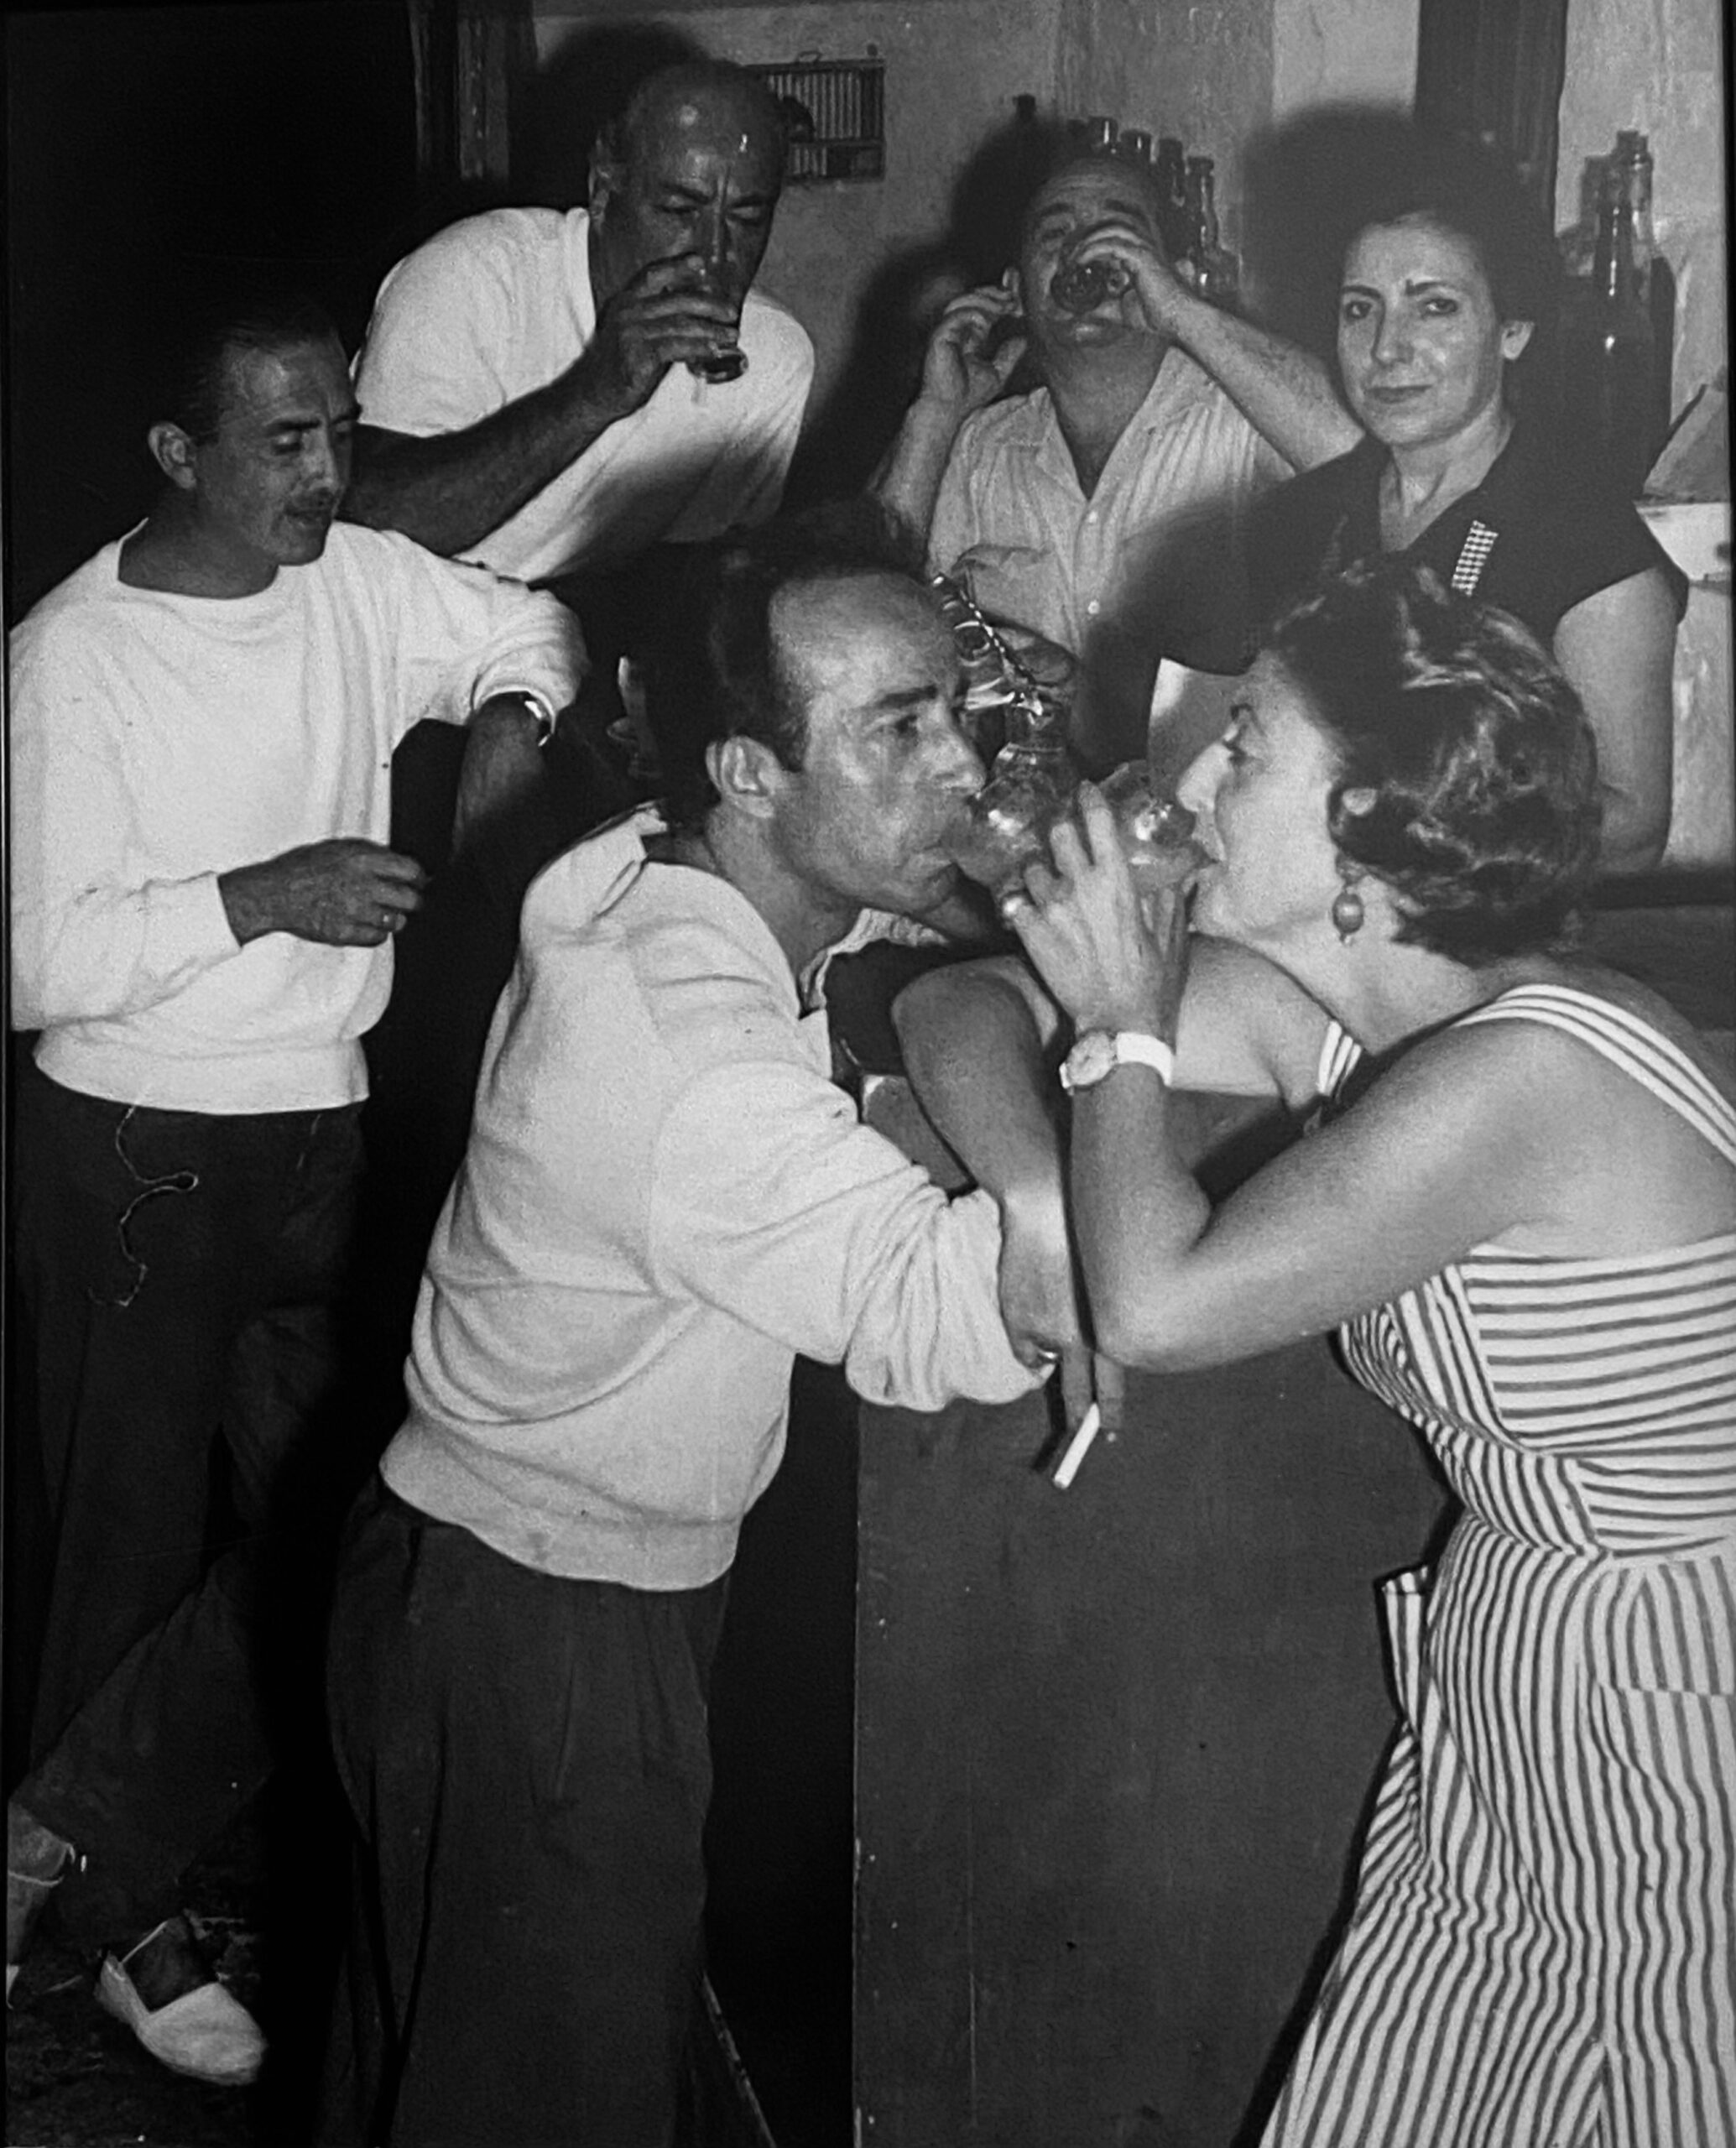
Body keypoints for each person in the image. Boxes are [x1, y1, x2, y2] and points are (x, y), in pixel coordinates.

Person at [894, 562, 1735, 2147]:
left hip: (1680, 1717)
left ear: (1363, 822)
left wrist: (1127, 1021)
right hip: (1525, 1711)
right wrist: (1032, 1203)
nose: (1193, 778)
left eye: (1247, 748)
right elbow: (956, 1005)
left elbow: (1160, 1311)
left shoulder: (1537, 1066)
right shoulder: (1341, 1026)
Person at [319, 504, 1066, 2148]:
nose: (960, 764)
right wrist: (1093, 1084)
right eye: (897, 728)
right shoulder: (692, 1070)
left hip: (470, 1585)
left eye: (954, 706)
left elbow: (872, 930)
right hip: (548, 1642)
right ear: (746, 772)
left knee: (439, 2078)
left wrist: (967, 922)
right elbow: (969, 1314)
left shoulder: (635, 867)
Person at [5, 277, 584, 2085]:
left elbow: (537, 622)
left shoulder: (354, 579)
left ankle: (64, 1856)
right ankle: (128, 1923)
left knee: (355, 1525)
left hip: (317, 1127)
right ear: (178, 452)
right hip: (133, 1149)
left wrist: (509, 730)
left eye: (340, 425)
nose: (334, 469)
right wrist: (264, 895)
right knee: (123, 1555)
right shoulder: (72, 657)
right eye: (288, 440)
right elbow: (34, 963)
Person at [1247, 134, 1686, 873]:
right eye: (1360, 310)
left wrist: (1394, 813)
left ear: (1512, 330)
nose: (1387, 348)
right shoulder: (1302, 519)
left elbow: (1633, 828)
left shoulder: (1589, 551)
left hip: (1493, 937)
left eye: (1434, 308)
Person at [873, 132, 1362, 776]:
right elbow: (867, 602)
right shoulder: (979, 448)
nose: (1085, 252)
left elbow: (1365, 456)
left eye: (1120, 232)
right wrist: (933, 416)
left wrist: (1183, 312)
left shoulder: (1244, 418)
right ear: (1016, 293)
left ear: (1170, 276)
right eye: (1055, 235)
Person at [341, 57, 812, 602]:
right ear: (603, 184)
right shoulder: (473, 275)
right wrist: (592, 393)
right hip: (396, 630)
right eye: (679, 209)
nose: (714, 254)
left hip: (563, 645)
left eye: (747, 219)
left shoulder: (774, 351)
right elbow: (373, 521)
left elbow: (691, 585)